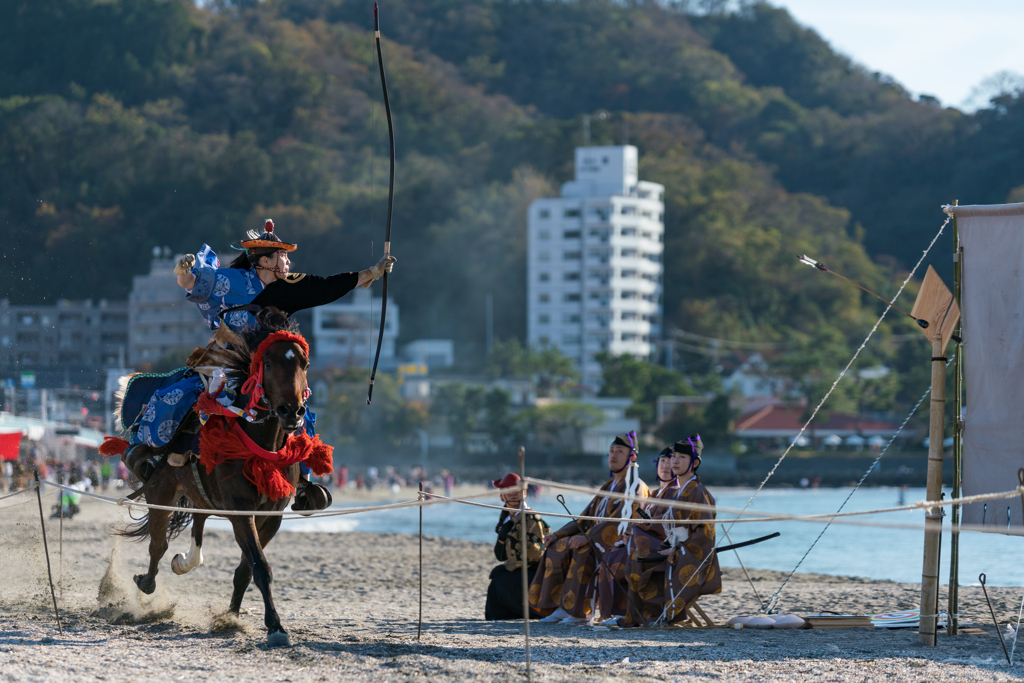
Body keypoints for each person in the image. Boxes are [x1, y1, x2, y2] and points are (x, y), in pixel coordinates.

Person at [117, 219, 394, 512]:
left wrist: (372, 273)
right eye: (282, 256)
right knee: (181, 396)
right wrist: (182, 272)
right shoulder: (232, 280)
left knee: (299, 410)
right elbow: (192, 284)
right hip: (226, 357)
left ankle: (303, 483)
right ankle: (150, 454)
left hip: (266, 365)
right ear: (265, 261)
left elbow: (327, 286)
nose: (288, 261)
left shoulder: (288, 287)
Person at [529, 433, 649, 624]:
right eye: (611, 451)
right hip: (595, 537)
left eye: (619, 451)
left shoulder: (636, 486)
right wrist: (559, 534)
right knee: (556, 546)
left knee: (583, 549)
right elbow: (585, 518)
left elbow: (623, 521)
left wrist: (589, 538)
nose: (613, 455)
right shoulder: (608, 486)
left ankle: (580, 612)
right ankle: (562, 607)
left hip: (619, 541)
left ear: (631, 456)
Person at [621, 435, 721, 627]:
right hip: (673, 546)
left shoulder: (698, 492)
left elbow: (705, 533)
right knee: (636, 559)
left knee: (644, 561)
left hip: (691, 552)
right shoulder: (679, 491)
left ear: (695, 463)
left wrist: (679, 549)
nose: (674, 461)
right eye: (673, 456)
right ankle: (644, 615)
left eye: (681, 457)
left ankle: (666, 615)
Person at [595, 446, 678, 624]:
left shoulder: (677, 493)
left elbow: (666, 524)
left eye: (670, 461)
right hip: (642, 543)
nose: (666, 465)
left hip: (661, 548)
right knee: (610, 556)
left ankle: (631, 613)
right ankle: (617, 612)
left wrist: (637, 529)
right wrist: (629, 534)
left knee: (619, 562)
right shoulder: (656, 493)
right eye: (662, 461)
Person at [485, 473, 551, 620]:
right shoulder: (507, 517)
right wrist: (502, 537)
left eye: (517, 489)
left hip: (536, 570)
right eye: (509, 490)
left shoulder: (531, 517)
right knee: (498, 580)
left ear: (525, 493)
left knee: (501, 580)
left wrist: (506, 566)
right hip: (520, 568)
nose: (514, 493)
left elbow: (535, 552)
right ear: (502, 496)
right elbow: (500, 555)